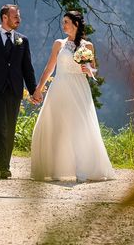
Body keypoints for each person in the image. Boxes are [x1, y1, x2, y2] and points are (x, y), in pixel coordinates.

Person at [30, 10, 114, 181]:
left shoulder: (87, 46)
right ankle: (53, 169)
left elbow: (93, 71)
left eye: (66, 22)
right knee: (54, 125)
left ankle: (82, 171)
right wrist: (39, 88)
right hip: (59, 88)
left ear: (76, 24)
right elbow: (49, 68)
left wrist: (88, 70)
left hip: (78, 88)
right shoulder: (58, 44)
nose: (63, 25)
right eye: (63, 22)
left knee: (79, 127)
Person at [0, 4, 39, 179]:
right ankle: (2, 166)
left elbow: (27, 68)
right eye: (15, 16)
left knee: (10, 128)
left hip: (15, 91)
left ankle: (5, 164)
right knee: (0, 126)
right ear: (5, 18)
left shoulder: (22, 40)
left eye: (19, 16)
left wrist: (34, 91)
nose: (19, 19)